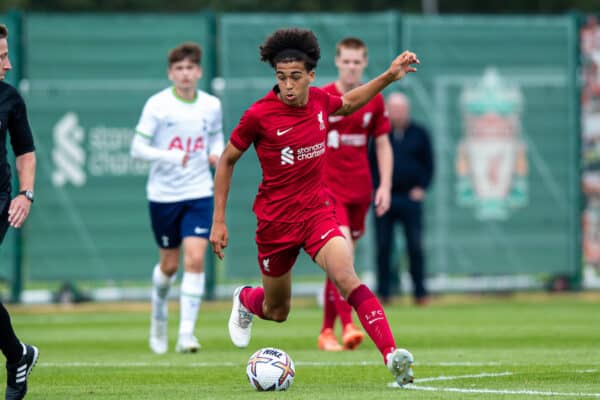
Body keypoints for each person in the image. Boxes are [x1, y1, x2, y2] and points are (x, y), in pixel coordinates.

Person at [210, 28, 418, 386]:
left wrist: (389, 76)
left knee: (346, 276)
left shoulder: (321, 101)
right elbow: (227, 160)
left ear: (311, 76)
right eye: (281, 78)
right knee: (277, 311)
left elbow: (350, 102)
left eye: (295, 77)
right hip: (275, 222)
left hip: (317, 213)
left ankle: (392, 356)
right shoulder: (259, 115)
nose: (288, 86)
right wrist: (218, 222)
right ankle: (245, 299)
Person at [130, 42, 224, 354]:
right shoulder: (157, 105)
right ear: (171, 73)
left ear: (198, 72)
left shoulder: (210, 105)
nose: (185, 74)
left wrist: (215, 154)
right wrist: (168, 156)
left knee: (195, 258)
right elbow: (137, 148)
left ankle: (186, 334)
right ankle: (158, 315)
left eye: (190, 68)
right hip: (163, 195)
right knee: (169, 266)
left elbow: (216, 137)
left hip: (199, 192)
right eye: (179, 69)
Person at [317, 37, 393, 352]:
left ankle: (325, 331)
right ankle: (348, 326)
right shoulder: (323, 97)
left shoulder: (373, 100)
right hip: (329, 189)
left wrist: (385, 185)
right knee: (343, 252)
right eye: (346, 61)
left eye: (356, 62)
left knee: (342, 263)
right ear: (337, 62)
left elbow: (383, 143)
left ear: (364, 64)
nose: (351, 67)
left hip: (360, 189)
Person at [0, 23, 40, 400]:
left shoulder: (10, 99)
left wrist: (25, 194)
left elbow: (25, 151)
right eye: (1, 57)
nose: (8, 65)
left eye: (8, 54)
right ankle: (18, 354)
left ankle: (17, 357)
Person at [371, 92, 434, 305]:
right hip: (384, 199)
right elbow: (369, 162)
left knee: (415, 246)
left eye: (401, 109)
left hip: (410, 199)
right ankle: (384, 293)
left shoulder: (420, 133)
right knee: (383, 246)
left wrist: (421, 188)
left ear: (407, 110)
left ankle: (420, 293)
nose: (397, 113)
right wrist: (376, 189)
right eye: (393, 109)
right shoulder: (380, 134)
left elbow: (429, 164)